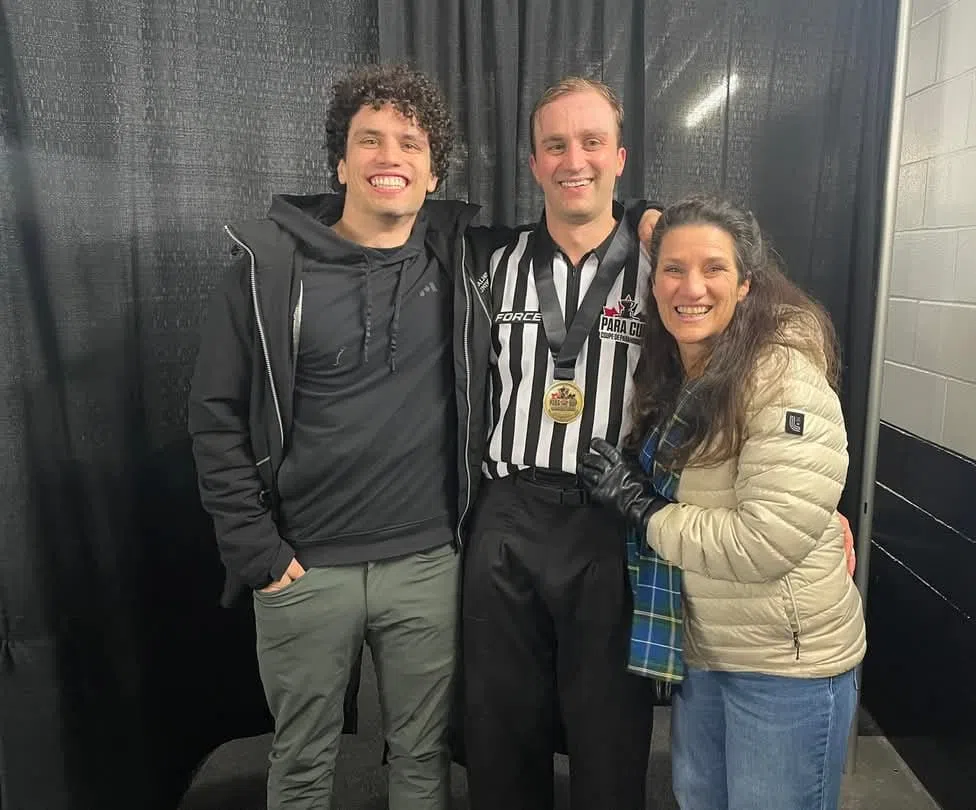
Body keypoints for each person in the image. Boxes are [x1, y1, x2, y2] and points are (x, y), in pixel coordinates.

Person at [188, 64, 499, 810]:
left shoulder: (466, 265)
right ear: (341, 161)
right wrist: (258, 553)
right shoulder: (265, 272)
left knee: (423, 760)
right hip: (304, 569)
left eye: (410, 142)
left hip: (427, 564)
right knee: (301, 766)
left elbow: (583, 219)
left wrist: (649, 218)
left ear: (432, 174)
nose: (389, 155)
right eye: (370, 139)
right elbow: (214, 416)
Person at [579, 194, 867, 810]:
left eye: (713, 268)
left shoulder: (781, 374)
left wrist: (642, 508)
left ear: (745, 285)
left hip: (784, 665)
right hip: (708, 649)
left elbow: (765, 543)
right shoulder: (689, 371)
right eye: (674, 269)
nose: (691, 287)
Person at [460, 76, 657, 810]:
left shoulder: (663, 268)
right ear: (534, 163)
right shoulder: (487, 265)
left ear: (619, 157)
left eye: (591, 142)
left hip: (609, 514)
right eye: (555, 144)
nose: (574, 159)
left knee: (610, 731)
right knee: (500, 727)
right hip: (508, 512)